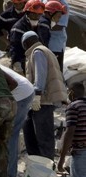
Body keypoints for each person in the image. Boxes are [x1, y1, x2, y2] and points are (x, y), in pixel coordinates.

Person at [21, 31, 67, 161]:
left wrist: (37, 95)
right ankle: (36, 164)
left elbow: (40, 76)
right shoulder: (44, 51)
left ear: (26, 43)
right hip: (39, 101)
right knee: (30, 134)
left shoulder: (37, 52)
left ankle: (46, 167)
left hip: (43, 101)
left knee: (44, 137)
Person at [57, 82, 86, 177]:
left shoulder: (73, 107)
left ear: (72, 92)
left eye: (68, 91)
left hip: (81, 153)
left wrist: (61, 160)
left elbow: (70, 132)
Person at [9, 0, 45, 74]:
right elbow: (15, 49)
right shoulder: (18, 28)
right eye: (34, 14)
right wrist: (18, 67)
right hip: (23, 63)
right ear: (27, 13)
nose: (36, 17)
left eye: (39, 14)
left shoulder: (39, 26)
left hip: (35, 62)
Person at [42, 0, 69, 73]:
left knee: (56, 72)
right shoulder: (44, 1)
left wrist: (44, 25)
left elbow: (60, 26)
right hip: (44, 43)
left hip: (56, 45)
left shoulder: (63, 4)